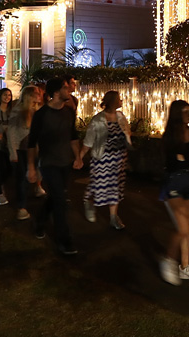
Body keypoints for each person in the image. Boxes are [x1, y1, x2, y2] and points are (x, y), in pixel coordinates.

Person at [29, 77, 82, 256]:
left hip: (65, 162)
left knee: (57, 196)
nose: (70, 90)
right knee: (60, 201)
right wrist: (31, 167)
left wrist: (78, 156)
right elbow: (31, 142)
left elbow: (73, 136)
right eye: (66, 87)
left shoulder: (69, 112)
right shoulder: (41, 115)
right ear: (56, 92)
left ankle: (41, 219)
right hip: (49, 163)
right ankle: (64, 241)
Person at [158, 100, 189, 284]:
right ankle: (168, 260)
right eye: (185, 111)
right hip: (174, 182)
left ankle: (185, 266)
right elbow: (173, 161)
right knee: (183, 228)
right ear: (177, 114)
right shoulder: (170, 135)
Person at [79, 90, 131, 230]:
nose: (121, 101)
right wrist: (80, 157)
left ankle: (114, 217)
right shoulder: (98, 120)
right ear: (113, 101)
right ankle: (89, 200)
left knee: (115, 188)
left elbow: (127, 133)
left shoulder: (121, 117)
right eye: (119, 99)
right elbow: (88, 141)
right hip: (102, 158)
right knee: (98, 184)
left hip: (118, 159)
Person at [6, 85, 42, 221]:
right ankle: (21, 207)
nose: (39, 95)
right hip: (22, 149)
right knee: (21, 179)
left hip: (35, 149)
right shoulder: (19, 111)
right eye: (36, 93)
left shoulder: (38, 110)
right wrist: (13, 152)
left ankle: (36, 190)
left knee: (34, 173)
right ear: (29, 96)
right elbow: (11, 133)